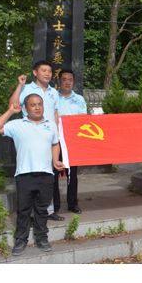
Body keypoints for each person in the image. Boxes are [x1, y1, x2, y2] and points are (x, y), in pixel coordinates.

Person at [0, 94, 64, 256]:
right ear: (26, 108)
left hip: (46, 174)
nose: (37, 107)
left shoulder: (51, 125)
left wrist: (55, 161)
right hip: (24, 175)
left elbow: (55, 144)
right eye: (33, 105)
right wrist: (10, 111)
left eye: (39, 104)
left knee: (42, 210)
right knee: (23, 210)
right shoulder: (17, 125)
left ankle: (42, 238)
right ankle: (20, 240)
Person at [9, 60, 64, 221]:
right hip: (30, 136)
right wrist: (19, 86)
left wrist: (56, 134)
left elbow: (55, 114)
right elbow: (13, 105)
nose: (47, 73)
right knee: (30, 176)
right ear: (35, 73)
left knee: (48, 174)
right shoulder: (26, 89)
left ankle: (48, 210)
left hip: (48, 136)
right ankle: (30, 215)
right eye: (43, 70)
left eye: (49, 71)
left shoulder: (54, 92)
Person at [54, 69, 87, 214]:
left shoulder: (79, 99)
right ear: (59, 81)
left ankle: (72, 203)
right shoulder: (53, 97)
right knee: (54, 173)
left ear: (73, 82)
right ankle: (54, 205)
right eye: (64, 79)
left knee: (72, 174)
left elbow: (83, 119)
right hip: (55, 141)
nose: (67, 82)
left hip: (72, 141)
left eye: (70, 80)